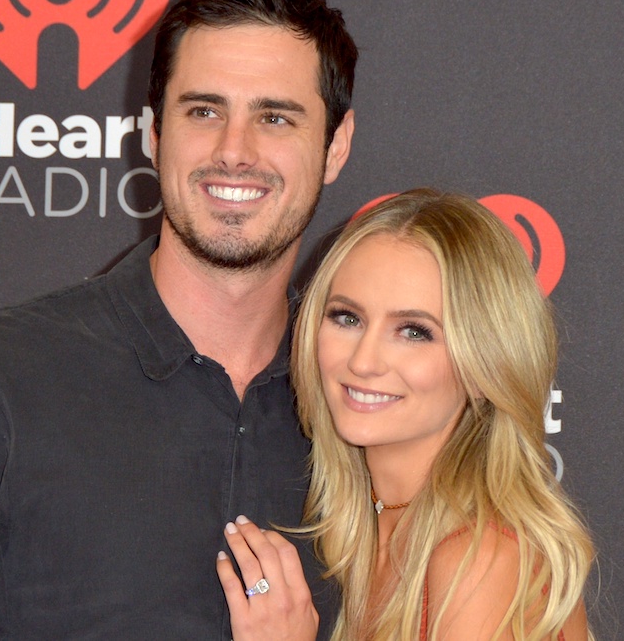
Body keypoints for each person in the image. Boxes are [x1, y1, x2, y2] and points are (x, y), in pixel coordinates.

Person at [0, 0, 355, 638]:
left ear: (336, 145)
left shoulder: (368, 403)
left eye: (274, 117)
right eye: (203, 111)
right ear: (152, 132)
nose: (235, 151)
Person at [217, 189, 594, 640]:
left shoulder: (479, 558)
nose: (364, 360)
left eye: (414, 332)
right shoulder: (363, 530)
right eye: (347, 318)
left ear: (483, 363)